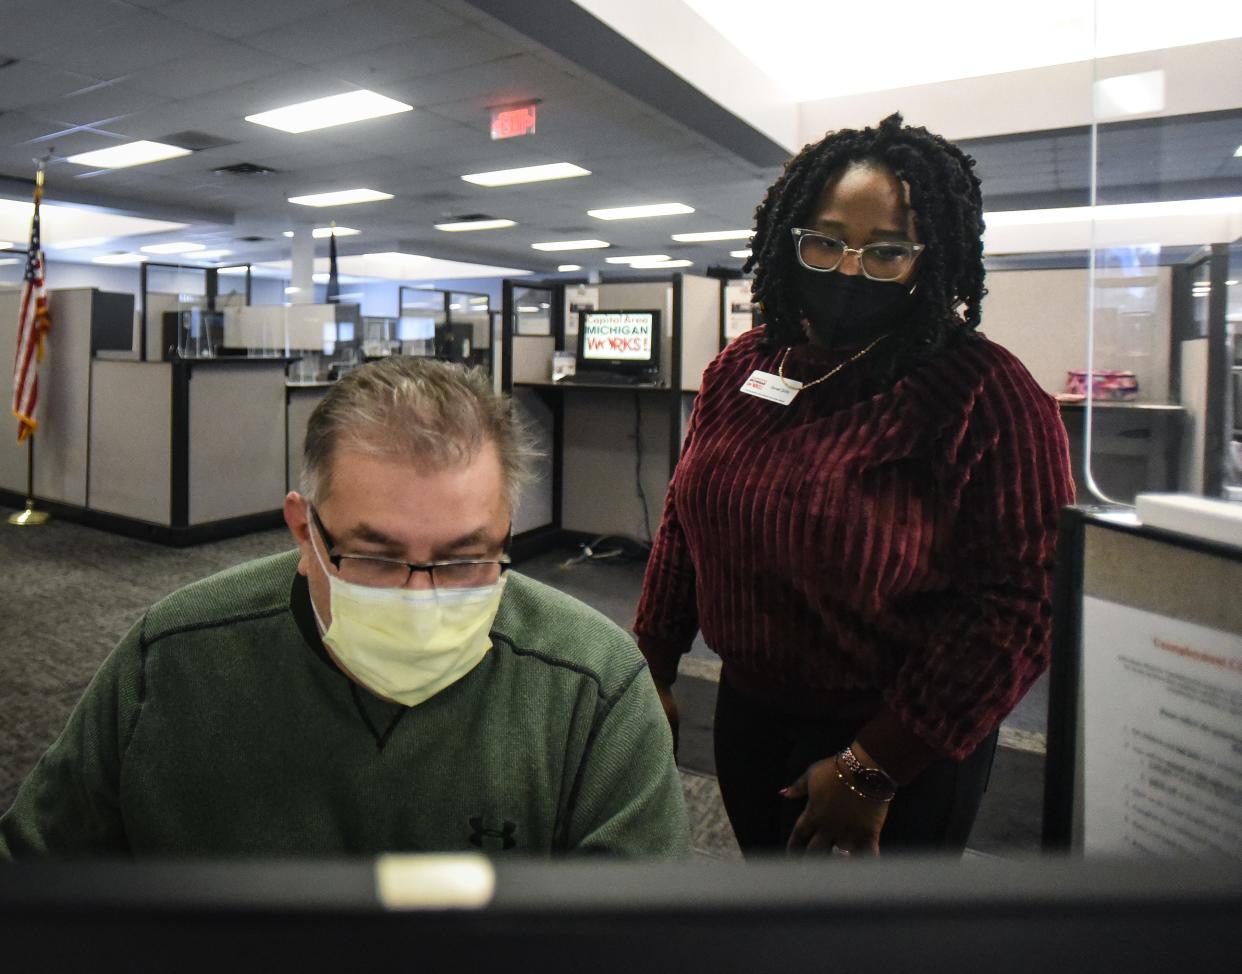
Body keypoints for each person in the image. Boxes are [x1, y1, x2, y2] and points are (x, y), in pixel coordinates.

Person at [1, 357, 688, 858]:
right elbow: (34, 875)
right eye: (377, 557)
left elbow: (644, 944)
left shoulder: (594, 688)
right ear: (305, 531)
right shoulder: (176, 657)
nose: (422, 598)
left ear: (505, 533)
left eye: (464, 558)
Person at [633, 113, 1074, 857]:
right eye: (827, 241)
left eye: (886, 252)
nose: (847, 270)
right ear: (789, 235)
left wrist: (877, 765)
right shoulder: (744, 365)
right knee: (777, 920)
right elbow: (685, 517)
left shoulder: (985, 393)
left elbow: (1026, 602)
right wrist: (651, 665)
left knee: (869, 950)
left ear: (929, 259)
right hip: (746, 711)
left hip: (898, 740)